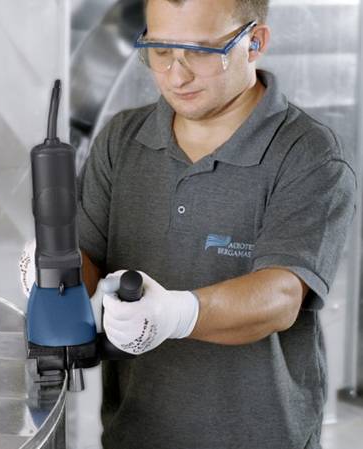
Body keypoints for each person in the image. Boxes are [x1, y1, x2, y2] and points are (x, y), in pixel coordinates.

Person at [77, 0, 358, 448]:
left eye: (201, 52)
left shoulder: (308, 154)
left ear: (255, 43)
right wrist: (55, 267)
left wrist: (177, 314)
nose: (177, 76)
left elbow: (281, 296)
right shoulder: (122, 139)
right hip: (136, 434)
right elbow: (87, 257)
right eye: (161, 51)